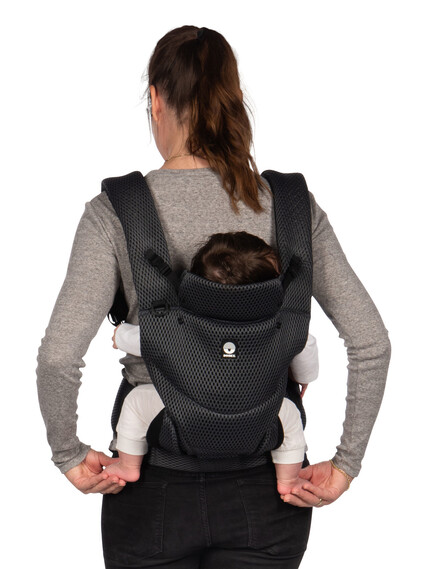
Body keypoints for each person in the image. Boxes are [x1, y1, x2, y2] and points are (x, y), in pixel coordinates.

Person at [36, 25, 391, 569]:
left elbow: (59, 357)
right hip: (270, 486)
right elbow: (371, 343)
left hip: (150, 487)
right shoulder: (291, 208)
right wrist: (346, 465)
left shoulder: (116, 211)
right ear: (235, 100)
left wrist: (66, 452)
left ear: (155, 100)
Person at [104, 231, 319, 495]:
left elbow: (144, 339)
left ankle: (128, 466)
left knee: (136, 402)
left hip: (183, 415)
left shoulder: (176, 328)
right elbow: (305, 346)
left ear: (195, 283)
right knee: (290, 416)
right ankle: (288, 481)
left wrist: (119, 335)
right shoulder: (283, 328)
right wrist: (303, 377)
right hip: (257, 419)